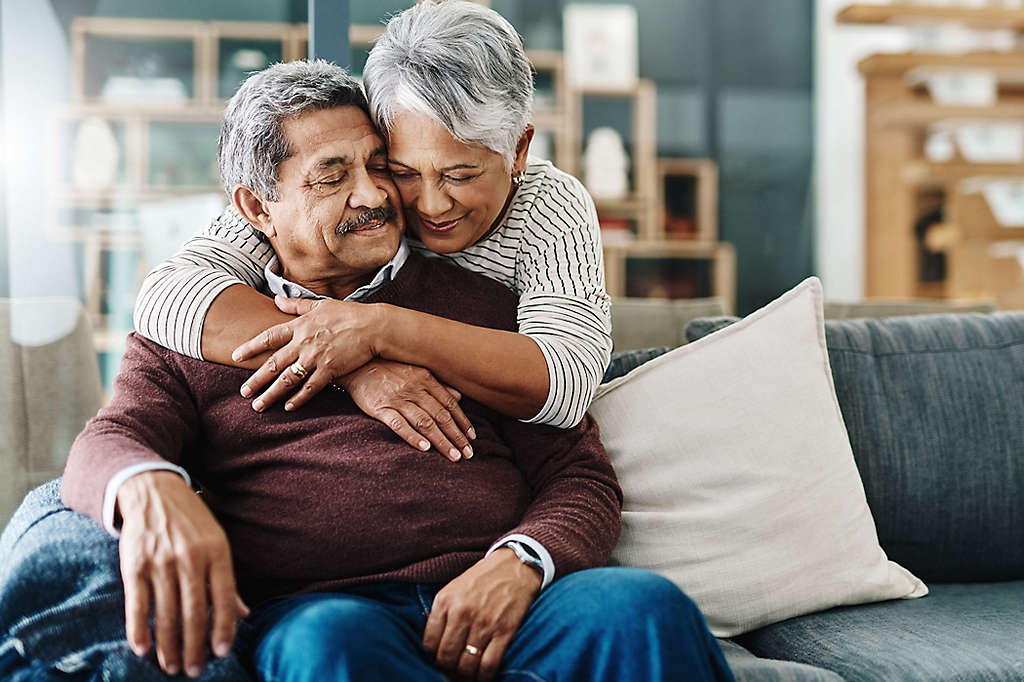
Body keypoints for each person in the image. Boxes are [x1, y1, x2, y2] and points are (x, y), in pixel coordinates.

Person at [55, 61, 734, 682]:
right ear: (258, 209)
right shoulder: (195, 331)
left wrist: (521, 561)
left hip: (507, 604)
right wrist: (148, 489)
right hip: (332, 613)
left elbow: (579, 473)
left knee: (640, 608)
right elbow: (105, 443)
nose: (374, 195)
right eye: (331, 176)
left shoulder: (479, 305)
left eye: (379, 165)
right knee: (329, 644)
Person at [133, 0, 612, 461]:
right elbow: (167, 296)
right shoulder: (352, 200)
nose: (430, 204)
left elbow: (567, 386)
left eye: (459, 175)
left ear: (520, 150)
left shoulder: (548, 205)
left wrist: (381, 328)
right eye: (401, 170)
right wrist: (357, 364)